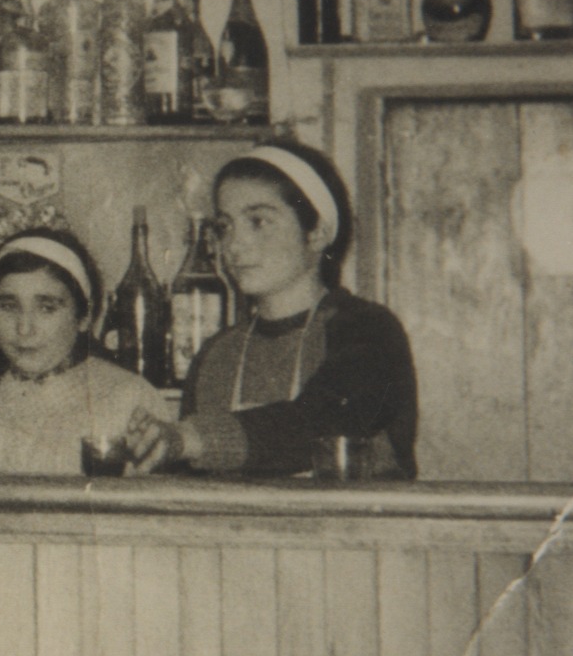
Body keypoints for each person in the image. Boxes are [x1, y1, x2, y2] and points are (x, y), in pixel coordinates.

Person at [128, 139, 418, 478]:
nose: (234, 245)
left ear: (317, 233)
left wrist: (192, 439)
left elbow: (322, 420)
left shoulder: (369, 330)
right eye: (225, 226)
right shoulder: (216, 354)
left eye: (259, 221)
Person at [0, 228, 165, 473]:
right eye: (9, 307)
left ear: (84, 317)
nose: (24, 329)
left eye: (46, 308)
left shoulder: (132, 402)